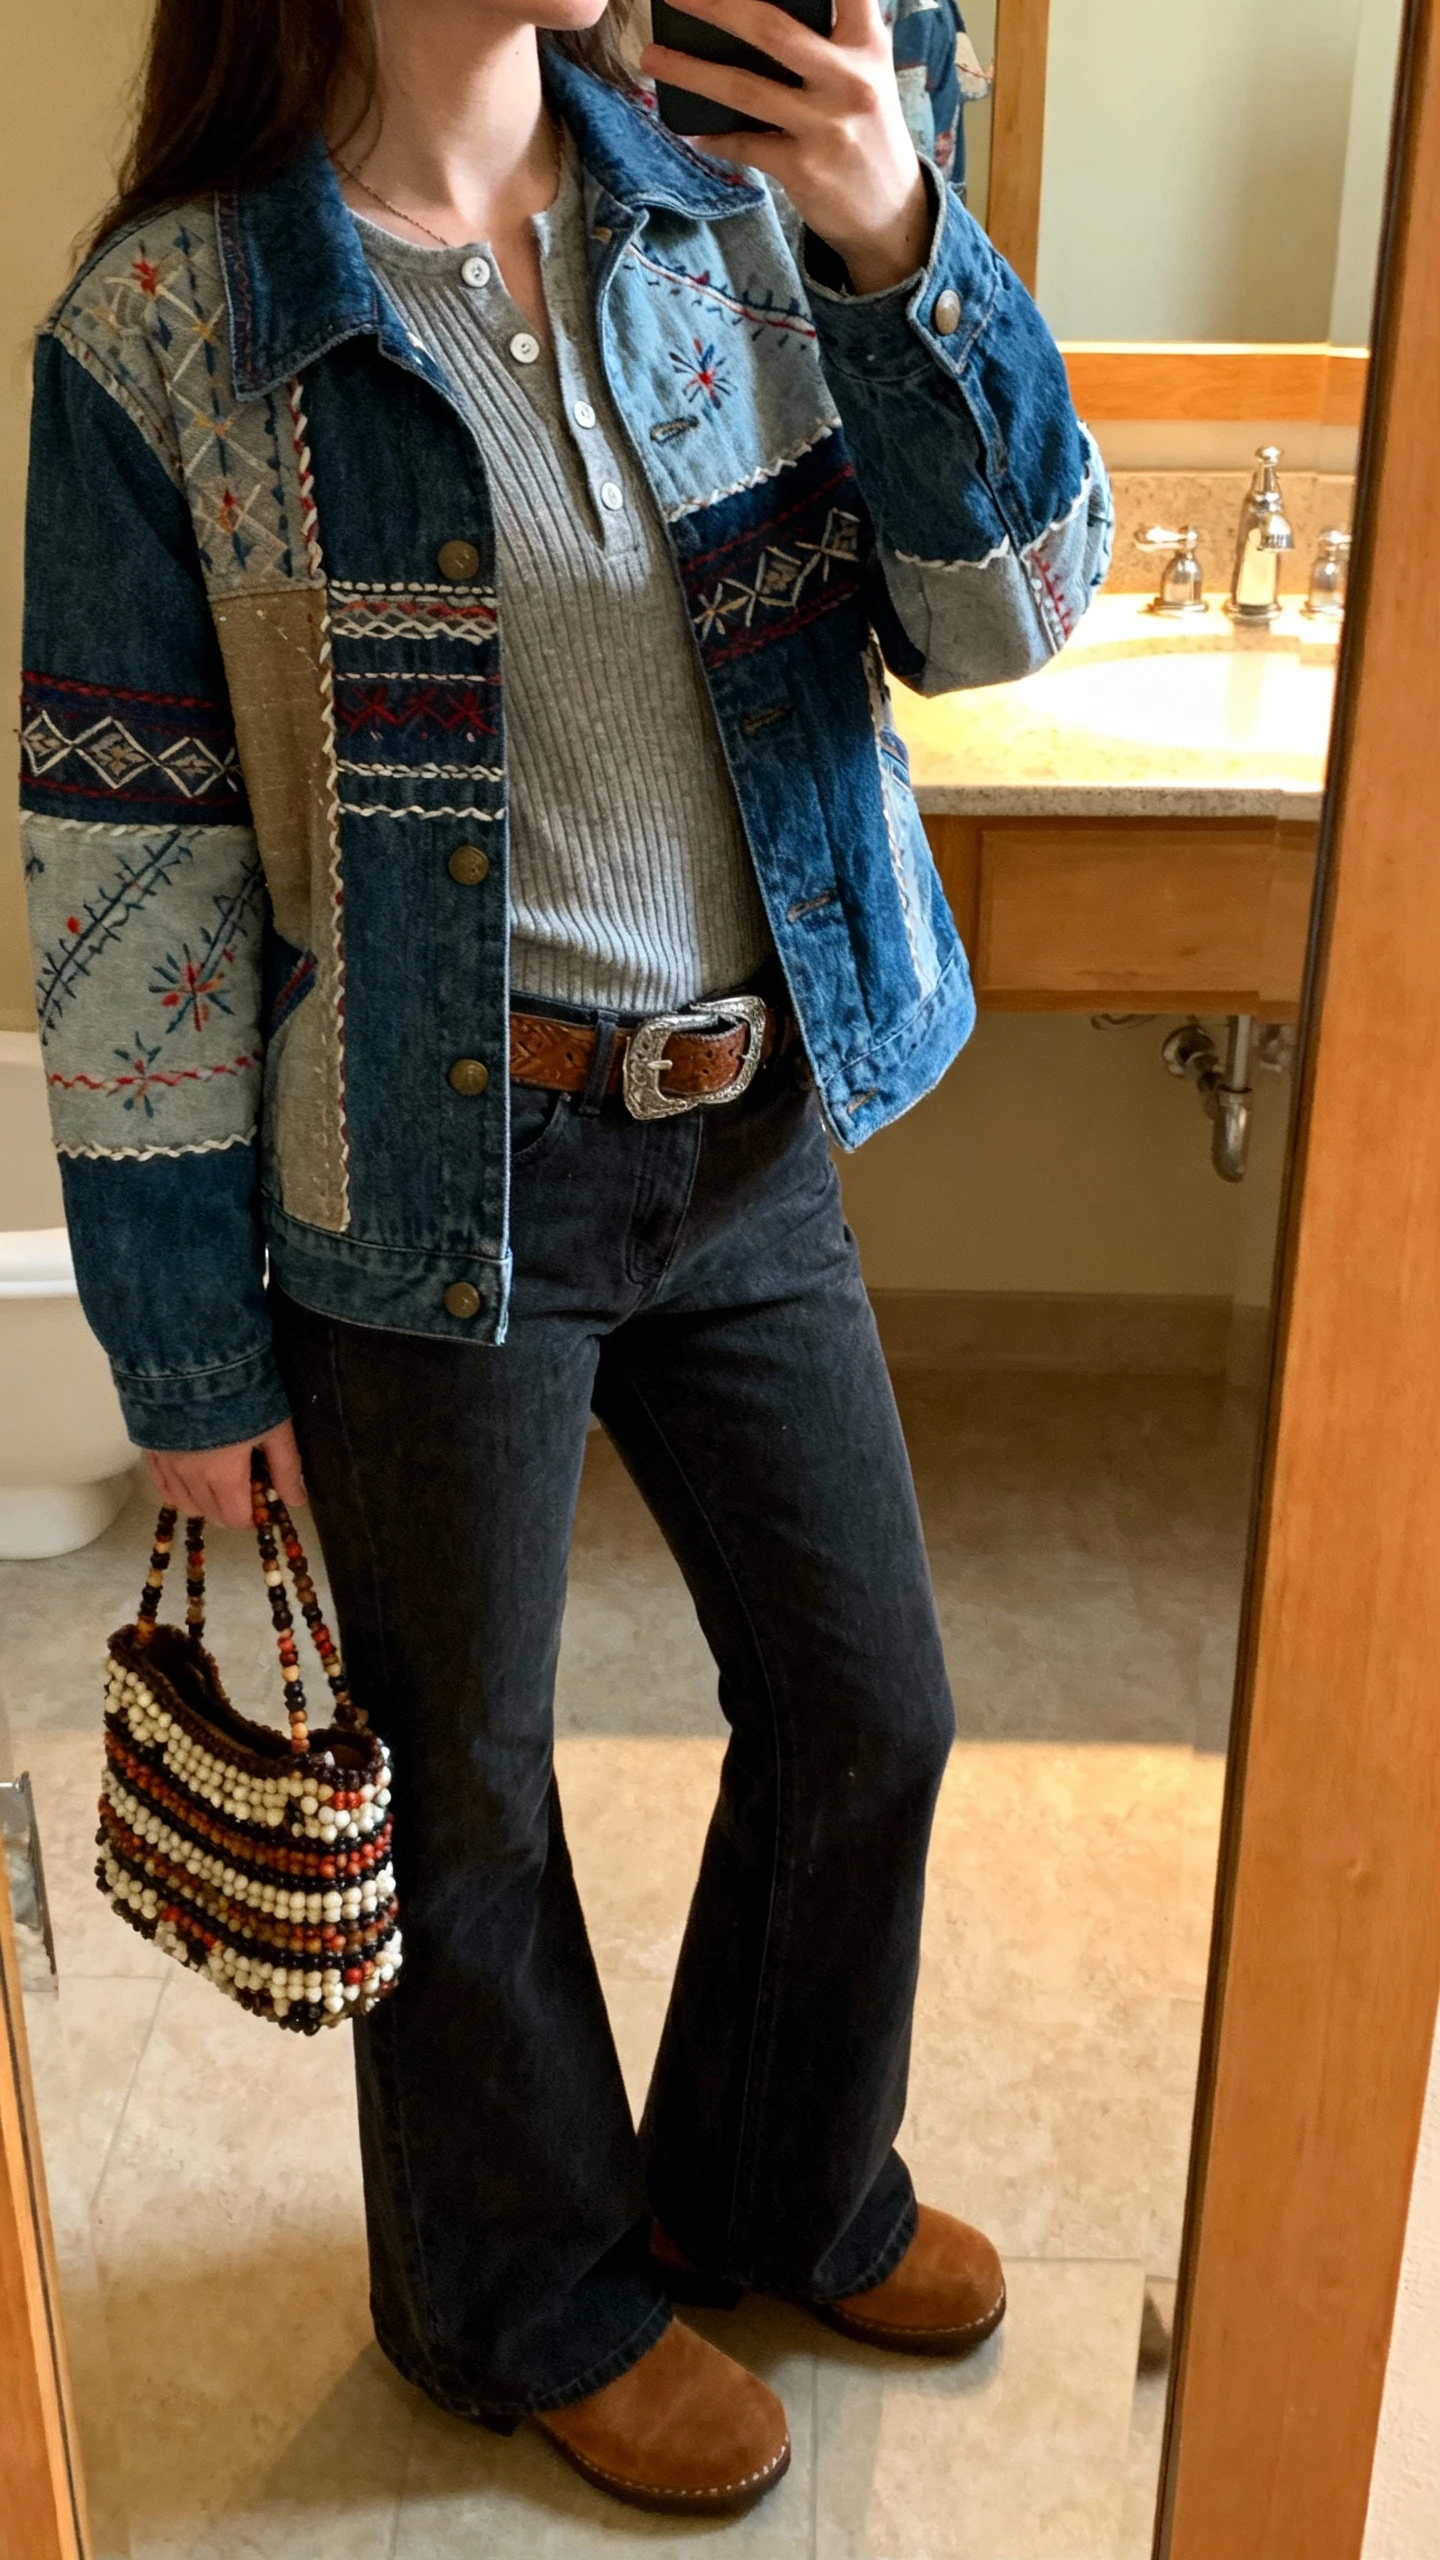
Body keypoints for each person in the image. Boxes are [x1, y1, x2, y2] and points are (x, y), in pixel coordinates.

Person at [20, 0, 1111, 2519]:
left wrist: (906, 243)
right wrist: (187, 1353)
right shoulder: (174, 336)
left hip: (746, 1139)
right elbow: (135, 886)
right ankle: (519, 2292)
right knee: (471, 1792)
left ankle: (769, 2186)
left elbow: (1012, 614)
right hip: (424, 1179)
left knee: (875, 1708)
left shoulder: (736, 211)